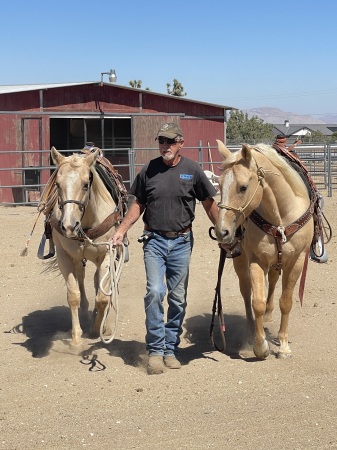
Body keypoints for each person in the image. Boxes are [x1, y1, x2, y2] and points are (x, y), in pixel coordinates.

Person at [112, 123, 219, 375]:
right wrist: (122, 229)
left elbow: (208, 203)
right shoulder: (149, 170)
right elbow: (138, 203)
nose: (165, 146)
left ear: (181, 142)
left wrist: (224, 232)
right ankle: (156, 351)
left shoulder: (192, 170)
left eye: (170, 141)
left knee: (178, 298)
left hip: (182, 242)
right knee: (155, 292)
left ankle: (171, 348)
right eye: (162, 141)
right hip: (154, 241)